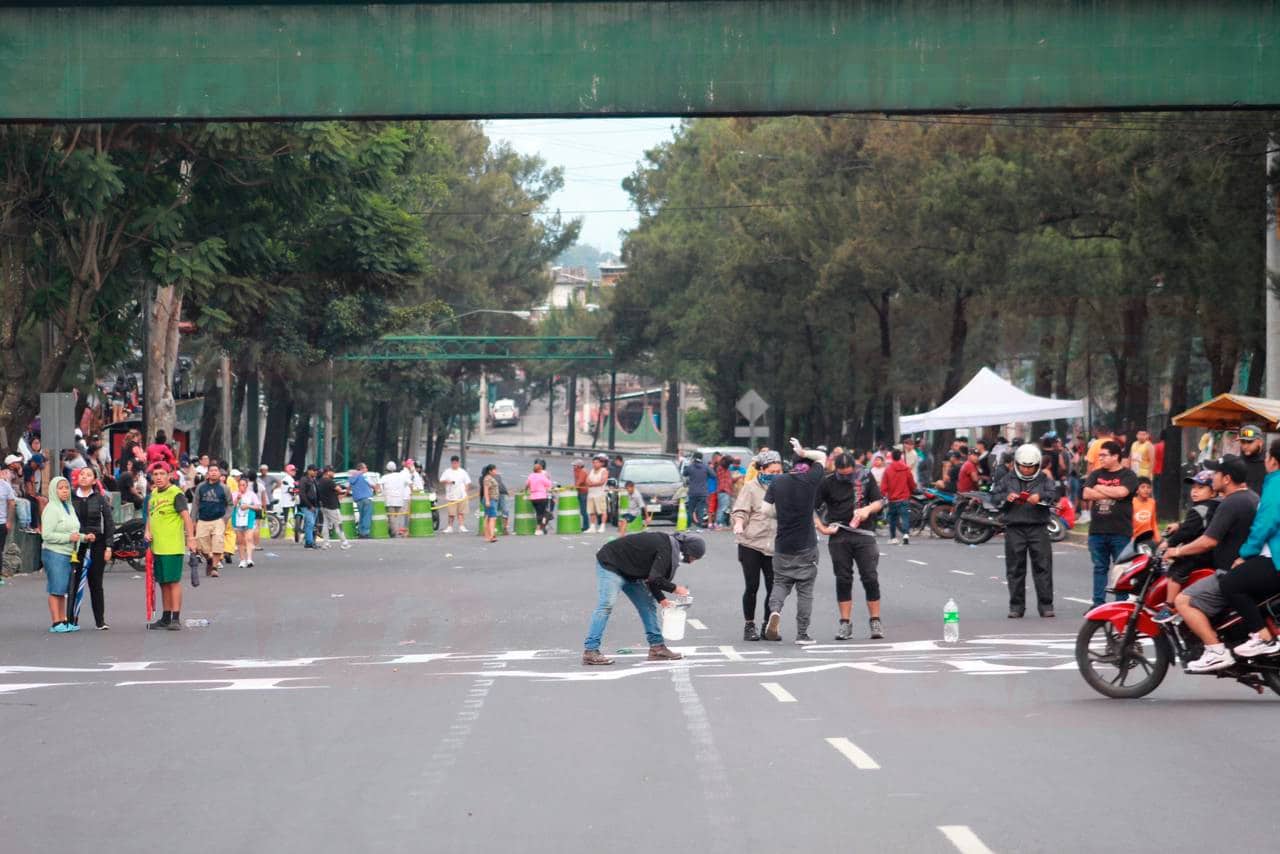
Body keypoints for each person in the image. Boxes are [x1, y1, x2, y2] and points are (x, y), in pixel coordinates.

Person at [1170, 456, 1259, 671]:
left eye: (1215, 474)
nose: (1213, 478)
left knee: (1184, 601)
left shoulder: (1230, 503)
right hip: (1250, 569)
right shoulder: (1252, 497)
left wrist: (1178, 550)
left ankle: (1216, 650)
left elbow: (1208, 541)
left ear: (1226, 479)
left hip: (1229, 574)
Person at [581, 530, 705, 665]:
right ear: (688, 550)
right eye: (693, 558)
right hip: (611, 564)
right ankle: (590, 650)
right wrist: (676, 589)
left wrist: (661, 600)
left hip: (631, 571)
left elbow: (651, 578)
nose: (691, 562)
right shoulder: (666, 548)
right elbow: (655, 577)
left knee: (647, 605)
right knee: (606, 605)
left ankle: (657, 648)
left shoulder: (670, 547)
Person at [1217, 439, 1280, 657]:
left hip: (1274, 558)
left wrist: (1245, 554)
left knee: (1230, 584)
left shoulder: (1275, 483)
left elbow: (1265, 524)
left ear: (1272, 460)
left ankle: (1262, 637)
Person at [762, 438, 827, 644]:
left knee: (780, 583)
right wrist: (804, 450)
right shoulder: (811, 480)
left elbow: (765, 510)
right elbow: (823, 457)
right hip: (806, 545)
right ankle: (802, 633)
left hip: (783, 546)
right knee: (805, 591)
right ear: (807, 465)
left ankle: (775, 611)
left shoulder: (777, 481)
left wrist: (780, 515)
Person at [815, 451, 885, 640]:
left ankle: (875, 621)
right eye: (842, 474)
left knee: (870, 576)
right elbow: (811, 506)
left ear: (854, 468)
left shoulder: (865, 477)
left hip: (864, 535)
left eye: (849, 473)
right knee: (843, 578)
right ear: (835, 469)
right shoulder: (827, 482)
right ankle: (845, 623)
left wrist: (867, 509)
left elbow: (879, 501)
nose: (846, 477)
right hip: (839, 535)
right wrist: (822, 528)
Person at [1152, 470, 1218, 624]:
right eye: (1194, 487)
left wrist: (1169, 543)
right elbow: (1198, 525)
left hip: (1200, 554)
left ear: (1213, 492)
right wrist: (1179, 525)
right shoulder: (1214, 506)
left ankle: (1169, 606)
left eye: (1201, 487)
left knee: (1176, 569)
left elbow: (1187, 531)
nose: (1195, 491)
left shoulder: (1199, 509)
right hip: (1212, 553)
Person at [997, 444, 1056, 619]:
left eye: (1031, 466)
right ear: (1017, 463)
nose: (1027, 469)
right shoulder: (1007, 479)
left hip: (1038, 527)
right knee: (1015, 569)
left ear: (1037, 465)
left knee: (1043, 567)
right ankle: (1016, 606)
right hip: (1014, 527)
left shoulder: (1044, 479)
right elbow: (994, 497)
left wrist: (1041, 497)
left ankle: (1046, 605)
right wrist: (1006, 498)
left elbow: (1054, 494)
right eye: (1023, 465)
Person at [1082, 440, 1140, 606]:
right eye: (1099, 455)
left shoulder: (1128, 475)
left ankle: (1120, 604)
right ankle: (1098, 604)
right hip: (1097, 531)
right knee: (1099, 568)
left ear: (1115, 456)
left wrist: (1099, 489)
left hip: (1120, 530)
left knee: (1121, 569)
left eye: (1104, 455)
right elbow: (1086, 493)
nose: (1100, 458)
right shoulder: (1095, 473)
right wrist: (1110, 493)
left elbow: (1122, 492)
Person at [733, 450, 780, 641]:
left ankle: (767, 626)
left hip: (775, 545)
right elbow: (740, 510)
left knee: (773, 587)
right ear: (762, 469)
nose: (777, 475)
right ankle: (749, 625)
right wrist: (738, 523)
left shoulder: (783, 487)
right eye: (773, 471)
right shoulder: (751, 487)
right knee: (752, 586)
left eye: (779, 471)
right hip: (751, 544)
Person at [144, 464, 197, 630]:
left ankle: (175, 618)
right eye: (155, 474)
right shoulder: (153, 494)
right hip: (157, 547)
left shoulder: (176, 493)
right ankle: (165, 617)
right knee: (163, 583)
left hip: (172, 547)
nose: (158, 477)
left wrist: (191, 538)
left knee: (173, 582)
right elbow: (150, 516)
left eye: (162, 474)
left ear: (169, 475)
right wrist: (147, 531)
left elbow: (186, 517)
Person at [69, 467, 113, 629]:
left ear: (94, 480)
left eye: (88, 475)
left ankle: (100, 621)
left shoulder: (101, 499)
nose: (84, 477)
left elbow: (109, 523)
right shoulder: (70, 498)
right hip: (76, 546)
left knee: (96, 583)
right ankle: (71, 619)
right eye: (82, 474)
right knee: (73, 581)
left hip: (97, 545)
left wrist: (109, 546)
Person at [41, 476, 82, 633]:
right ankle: (56, 622)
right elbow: (47, 535)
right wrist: (68, 538)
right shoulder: (51, 509)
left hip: (69, 553)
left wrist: (84, 537)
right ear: (53, 490)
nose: (65, 491)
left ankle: (64, 619)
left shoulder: (69, 507)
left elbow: (73, 530)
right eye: (61, 488)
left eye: (66, 487)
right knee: (56, 587)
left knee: (63, 588)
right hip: (54, 552)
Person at [193, 464, 232, 576]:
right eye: (211, 471)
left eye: (216, 470)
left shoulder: (224, 488)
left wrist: (225, 518)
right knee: (200, 545)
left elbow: (230, 504)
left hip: (218, 519)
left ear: (219, 474)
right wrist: (193, 520)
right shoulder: (201, 487)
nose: (214, 472)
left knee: (218, 543)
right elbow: (195, 504)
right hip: (203, 519)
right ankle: (209, 559)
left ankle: (214, 567)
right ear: (208, 473)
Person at [881, 448, 916, 546]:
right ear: (900, 457)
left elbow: (884, 486)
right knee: (905, 517)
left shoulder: (888, 470)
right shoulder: (906, 469)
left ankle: (893, 537)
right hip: (904, 497)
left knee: (893, 518)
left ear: (892, 457)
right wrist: (913, 489)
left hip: (893, 498)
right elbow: (911, 482)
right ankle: (905, 534)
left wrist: (883, 494)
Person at [316, 466, 351, 549]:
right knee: (338, 524)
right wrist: (343, 490)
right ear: (328, 472)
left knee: (325, 524)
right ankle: (344, 543)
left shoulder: (320, 481)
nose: (334, 474)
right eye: (332, 472)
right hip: (332, 506)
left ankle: (326, 543)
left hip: (324, 505)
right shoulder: (329, 481)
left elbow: (331, 492)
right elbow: (339, 489)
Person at [232, 475, 261, 567]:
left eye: (244, 485)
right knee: (240, 541)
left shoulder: (251, 494)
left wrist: (248, 506)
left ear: (247, 486)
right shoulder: (234, 494)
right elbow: (231, 506)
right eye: (240, 485)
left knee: (249, 538)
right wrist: (237, 499)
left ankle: (249, 559)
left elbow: (258, 506)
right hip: (238, 519)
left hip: (249, 519)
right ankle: (242, 560)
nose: (242, 487)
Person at [439, 456, 471, 534]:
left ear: (458, 463)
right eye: (453, 463)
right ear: (451, 463)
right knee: (451, 513)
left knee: (461, 512)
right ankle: (450, 527)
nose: (455, 464)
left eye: (456, 463)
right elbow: (441, 480)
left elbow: (467, 482)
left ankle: (461, 526)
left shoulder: (462, 472)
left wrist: (465, 491)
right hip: (451, 495)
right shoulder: (447, 471)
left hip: (461, 495)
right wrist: (448, 481)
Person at [381, 461, 411, 538]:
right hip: (400, 499)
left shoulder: (385, 477)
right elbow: (410, 483)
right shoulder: (401, 476)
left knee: (391, 517)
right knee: (397, 517)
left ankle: (394, 533)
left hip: (389, 499)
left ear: (387, 469)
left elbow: (379, 486)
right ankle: (398, 531)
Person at [525, 461, 555, 535]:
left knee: (539, 512)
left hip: (533, 498)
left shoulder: (530, 476)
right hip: (541, 497)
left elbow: (527, 485)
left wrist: (526, 491)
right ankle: (539, 528)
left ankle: (542, 526)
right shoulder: (542, 476)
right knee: (541, 513)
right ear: (539, 470)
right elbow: (549, 484)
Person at [684, 452, 711, 529]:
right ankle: (699, 527)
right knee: (701, 510)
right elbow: (713, 475)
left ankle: (688, 526)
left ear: (694, 458)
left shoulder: (690, 467)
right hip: (703, 492)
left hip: (692, 492)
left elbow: (684, 473)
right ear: (701, 458)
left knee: (690, 509)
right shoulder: (705, 467)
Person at [1238, 424, 1267, 494]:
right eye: (1242, 442)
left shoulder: (1269, 462)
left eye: (1249, 442)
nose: (1245, 446)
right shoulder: (1237, 462)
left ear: (1260, 442)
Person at [349, 462, 375, 539]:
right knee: (366, 516)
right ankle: (365, 533)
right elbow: (372, 484)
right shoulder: (365, 475)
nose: (367, 469)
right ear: (361, 469)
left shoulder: (352, 476)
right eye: (365, 468)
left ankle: (360, 533)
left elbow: (349, 486)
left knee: (361, 516)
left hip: (358, 500)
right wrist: (376, 489)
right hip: (367, 498)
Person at [297, 465, 320, 548]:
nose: (316, 472)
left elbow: (316, 492)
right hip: (307, 506)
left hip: (315, 505)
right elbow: (302, 494)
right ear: (309, 471)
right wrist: (309, 506)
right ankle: (310, 542)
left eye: (316, 471)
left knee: (310, 524)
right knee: (310, 523)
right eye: (314, 470)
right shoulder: (304, 480)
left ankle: (308, 542)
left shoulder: (314, 480)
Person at [1131, 477, 1160, 544]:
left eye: (1148, 487)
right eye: (1143, 487)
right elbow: (1128, 523)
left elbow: (1153, 522)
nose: (1146, 490)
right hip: (1134, 538)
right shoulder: (1132, 502)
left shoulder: (1152, 502)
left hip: (1148, 538)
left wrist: (1157, 537)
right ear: (1137, 490)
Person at [586, 454, 610, 533]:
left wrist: (592, 484)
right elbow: (587, 480)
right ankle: (592, 527)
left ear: (601, 463)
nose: (595, 464)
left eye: (597, 462)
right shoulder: (592, 471)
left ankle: (602, 526)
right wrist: (591, 484)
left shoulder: (604, 471)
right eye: (594, 462)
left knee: (602, 511)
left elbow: (602, 482)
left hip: (600, 494)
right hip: (591, 494)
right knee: (592, 511)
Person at [276, 464, 297, 541]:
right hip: (287, 503)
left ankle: (292, 533)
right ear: (288, 471)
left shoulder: (291, 479)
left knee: (291, 519)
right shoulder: (286, 479)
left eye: (294, 470)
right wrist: (297, 491)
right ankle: (289, 534)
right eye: (292, 470)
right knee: (288, 519)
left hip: (291, 502)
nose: (294, 471)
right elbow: (290, 490)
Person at [480, 463, 500, 543]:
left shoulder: (489, 477)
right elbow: (486, 490)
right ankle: (491, 536)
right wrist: (488, 501)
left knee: (488, 518)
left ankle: (488, 536)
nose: (496, 471)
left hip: (492, 499)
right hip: (490, 499)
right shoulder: (488, 478)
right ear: (490, 471)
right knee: (492, 518)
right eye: (495, 470)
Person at [572, 459, 590, 532]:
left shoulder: (583, 472)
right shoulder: (577, 471)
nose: (573, 467)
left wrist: (573, 487)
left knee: (583, 510)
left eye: (575, 465)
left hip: (584, 492)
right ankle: (585, 525)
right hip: (580, 491)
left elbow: (579, 482)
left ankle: (586, 526)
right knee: (582, 510)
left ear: (579, 466)